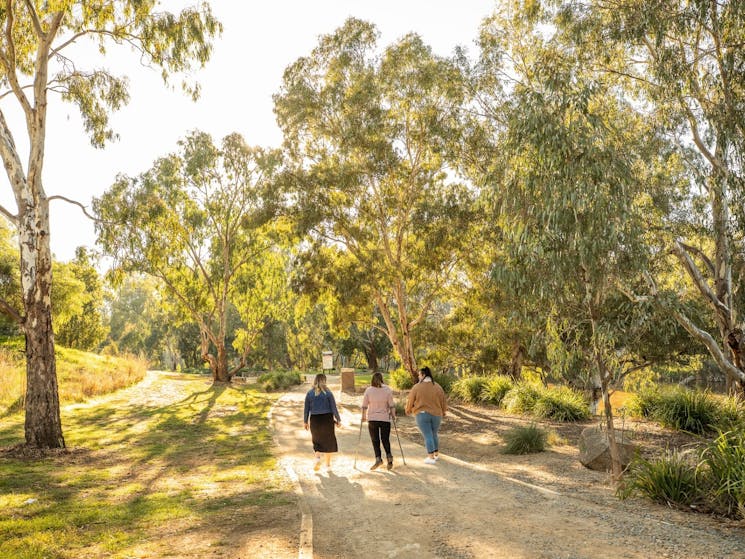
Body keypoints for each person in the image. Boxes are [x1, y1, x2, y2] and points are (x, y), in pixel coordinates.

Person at [405, 366, 447, 464]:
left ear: (423, 375)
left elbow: (411, 399)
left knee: (428, 435)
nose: (419, 377)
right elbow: (443, 400)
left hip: (422, 414)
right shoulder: (437, 386)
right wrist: (444, 411)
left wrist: (408, 409)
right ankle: (436, 455)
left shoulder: (417, 387)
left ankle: (430, 457)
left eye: (419, 375)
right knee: (434, 434)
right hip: (437, 414)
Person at [303, 373, 342, 471]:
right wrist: (338, 419)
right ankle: (328, 466)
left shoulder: (309, 393)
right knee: (329, 442)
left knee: (317, 441)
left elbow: (306, 409)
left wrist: (305, 421)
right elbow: (333, 407)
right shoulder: (328, 393)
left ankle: (317, 458)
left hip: (315, 420)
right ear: (324, 381)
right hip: (327, 419)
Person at [361, 371, 396, 471]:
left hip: (372, 419)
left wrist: (363, 416)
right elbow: (391, 405)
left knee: (375, 440)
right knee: (385, 439)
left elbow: (364, 406)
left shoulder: (368, 390)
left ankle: (378, 459)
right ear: (382, 379)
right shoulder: (387, 390)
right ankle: (389, 457)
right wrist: (393, 415)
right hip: (384, 419)